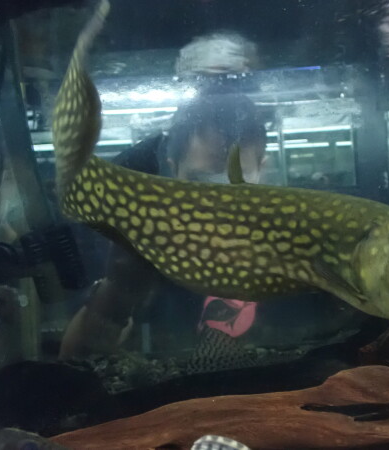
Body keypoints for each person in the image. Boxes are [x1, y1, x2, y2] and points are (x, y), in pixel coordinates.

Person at [59, 32, 267, 360]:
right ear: (172, 171)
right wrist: (118, 293)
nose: (218, 202)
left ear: (263, 171)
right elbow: (76, 357)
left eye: (237, 183)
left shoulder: (292, 243)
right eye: (198, 181)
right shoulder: (141, 234)